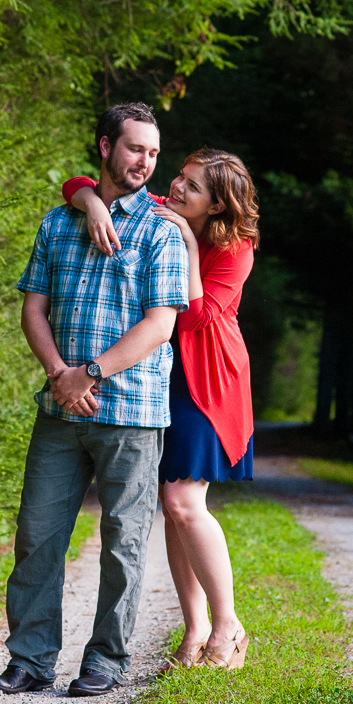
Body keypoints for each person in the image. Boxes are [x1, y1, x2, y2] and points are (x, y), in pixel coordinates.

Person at [0, 103, 189, 698]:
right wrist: (59, 376)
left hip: (132, 411)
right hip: (59, 412)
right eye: (134, 150)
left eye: (153, 154)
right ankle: (29, 659)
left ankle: (105, 661)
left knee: (124, 544)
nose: (145, 163)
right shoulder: (58, 223)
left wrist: (90, 374)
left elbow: (160, 325)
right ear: (105, 147)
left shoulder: (160, 229)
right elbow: (33, 308)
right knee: (37, 537)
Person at [61, 147, 258, 671]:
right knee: (172, 512)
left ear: (216, 206)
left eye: (193, 187)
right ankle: (195, 631)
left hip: (208, 382)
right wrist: (94, 205)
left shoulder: (237, 248)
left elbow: (193, 320)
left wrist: (189, 244)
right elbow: (77, 183)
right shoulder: (154, 205)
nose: (176, 187)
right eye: (181, 176)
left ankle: (229, 625)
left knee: (181, 501)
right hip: (160, 379)